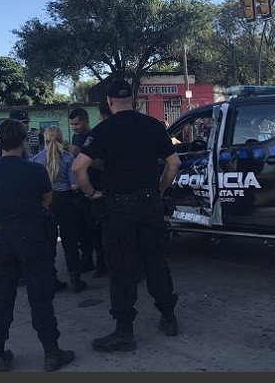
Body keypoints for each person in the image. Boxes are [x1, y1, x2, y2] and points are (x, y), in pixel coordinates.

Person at [72, 79, 182, 351]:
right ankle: (169, 318)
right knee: (154, 259)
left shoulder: (104, 129)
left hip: (118, 207)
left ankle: (124, 332)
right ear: (133, 100)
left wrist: (90, 194)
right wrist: (159, 189)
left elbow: (78, 168)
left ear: (109, 103)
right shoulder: (154, 125)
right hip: (149, 204)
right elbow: (174, 162)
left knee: (122, 268)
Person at [0, 119, 76, 372]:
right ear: (24, 141)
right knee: (40, 297)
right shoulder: (35, 170)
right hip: (32, 237)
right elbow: (47, 198)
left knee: (1, 298)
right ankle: (51, 353)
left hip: (1, 239)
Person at [30, 125, 89, 293]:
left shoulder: (35, 160)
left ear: (45, 139)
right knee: (70, 242)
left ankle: (51, 280)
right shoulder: (69, 158)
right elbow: (74, 185)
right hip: (66, 202)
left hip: (47, 204)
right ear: (61, 138)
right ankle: (75, 280)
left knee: (48, 244)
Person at [68, 106, 108, 278]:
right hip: (80, 190)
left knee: (97, 230)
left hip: (96, 188)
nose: (74, 127)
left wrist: (83, 156)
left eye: (77, 124)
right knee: (82, 229)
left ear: (85, 121)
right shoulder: (76, 138)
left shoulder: (97, 137)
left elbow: (102, 165)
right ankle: (86, 260)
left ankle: (101, 263)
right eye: (72, 125)